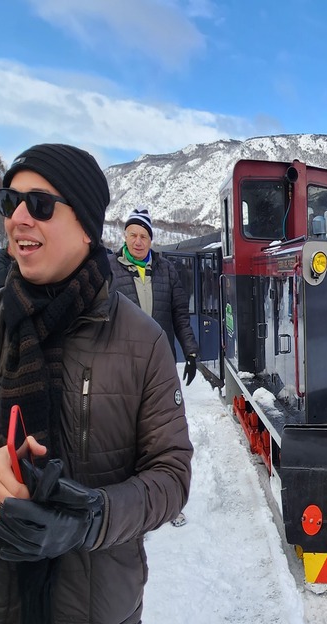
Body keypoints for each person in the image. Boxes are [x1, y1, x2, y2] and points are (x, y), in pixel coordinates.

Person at [0, 143, 192, 624]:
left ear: (86, 225)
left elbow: (171, 476)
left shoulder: (143, 342)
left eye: (40, 204)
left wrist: (94, 518)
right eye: (10, 200)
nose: (18, 216)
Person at [109, 207, 199, 528]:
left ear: (151, 240)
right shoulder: (110, 269)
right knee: (124, 431)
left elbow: (179, 315)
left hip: (159, 363)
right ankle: (132, 505)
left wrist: (190, 351)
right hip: (120, 363)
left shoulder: (167, 271)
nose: (137, 241)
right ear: (124, 236)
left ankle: (168, 501)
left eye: (143, 236)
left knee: (163, 430)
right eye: (132, 234)